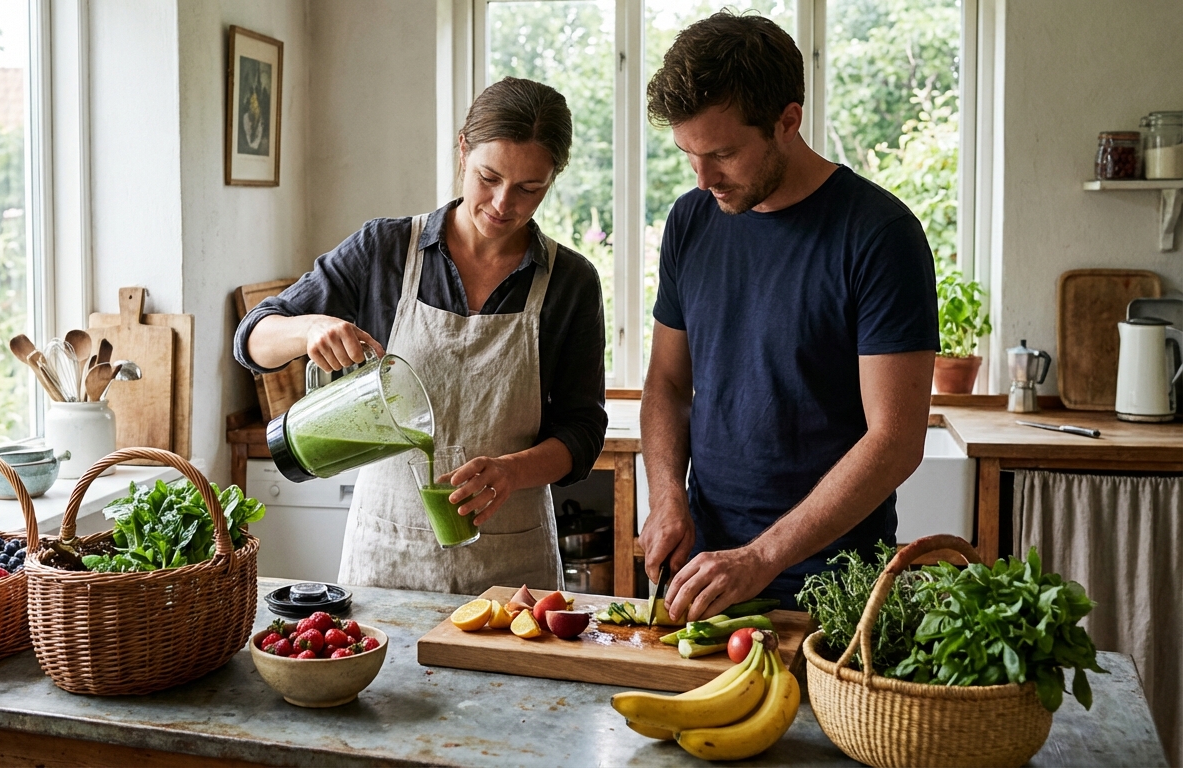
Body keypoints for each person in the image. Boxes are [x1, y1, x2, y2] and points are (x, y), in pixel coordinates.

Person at [234, 77, 607, 594]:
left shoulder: (570, 283)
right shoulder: (384, 251)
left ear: (553, 178)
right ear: (463, 151)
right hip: (388, 555)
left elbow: (583, 431)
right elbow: (253, 339)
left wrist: (512, 471)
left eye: (529, 188)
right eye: (489, 176)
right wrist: (309, 327)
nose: (503, 203)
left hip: (512, 564)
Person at [639, 10, 938, 621]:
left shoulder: (880, 236)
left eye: (722, 153)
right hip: (704, 571)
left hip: (833, 588)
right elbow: (667, 385)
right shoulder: (691, 220)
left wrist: (761, 557)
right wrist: (667, 494)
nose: (703, 177)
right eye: (687, 154)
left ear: (788, 121)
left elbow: (896, 441)